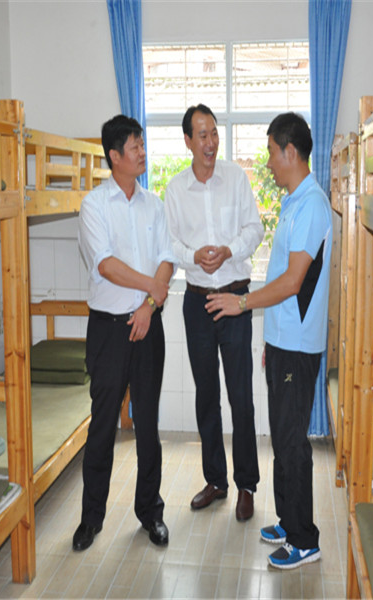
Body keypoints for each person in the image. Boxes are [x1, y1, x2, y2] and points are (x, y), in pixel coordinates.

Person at [205, 112, 332, 569]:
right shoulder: (295, 201)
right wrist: (270, 342)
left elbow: (293, 282)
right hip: (283, 342)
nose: (269, 162)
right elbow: (283, 275)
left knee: (293, 442)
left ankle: (304, 539)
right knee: (281, 436)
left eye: (272, 153)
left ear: (290, 152)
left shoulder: (312, 205)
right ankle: (287, 519)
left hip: (298, 346)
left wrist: (242, 303)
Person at [74, 114, 176, 551]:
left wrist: (150, 305)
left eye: (142, 145)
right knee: (102, 427)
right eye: (134, 147)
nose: (142, 153)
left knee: (148, 426)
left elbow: (167, 258)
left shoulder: (155, 204)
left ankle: (151, 513)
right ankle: (91, 519)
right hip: (109, 331)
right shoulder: (94, 205)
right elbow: (106, 265)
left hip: (148, 326)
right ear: (114, 156)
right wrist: (152, 288)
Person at [165, 104, 264, 522]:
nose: (210, 143)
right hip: (197, 302)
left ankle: (246, 485)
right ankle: (216, 481)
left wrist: (229, 251)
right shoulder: (175, 189)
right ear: (188, 141)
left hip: (235, 299)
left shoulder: (236, 178)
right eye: (202, 135)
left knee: (241, 396)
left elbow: (255, 229)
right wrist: (193, 256)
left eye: (214, 133)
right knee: (206, 396)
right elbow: (169, 243)